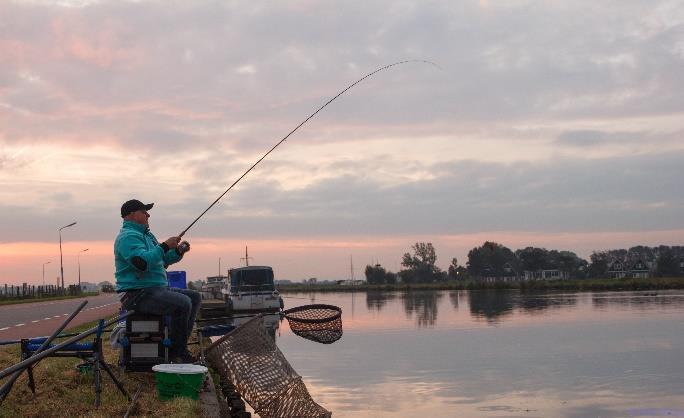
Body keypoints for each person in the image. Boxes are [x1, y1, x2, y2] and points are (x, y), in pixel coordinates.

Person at [114, 199, 201, 363]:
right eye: (144, 211)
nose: (148, 215)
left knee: (194, 297)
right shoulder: (127, 237)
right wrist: (164, 246)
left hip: (154, 289)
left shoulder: (146, 236)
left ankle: (179, 347)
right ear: (132, 214)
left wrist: (177, 251)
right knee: (183, 304)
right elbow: (142, 263)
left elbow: (163, 260)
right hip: (137, 294)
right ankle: (177, 354)